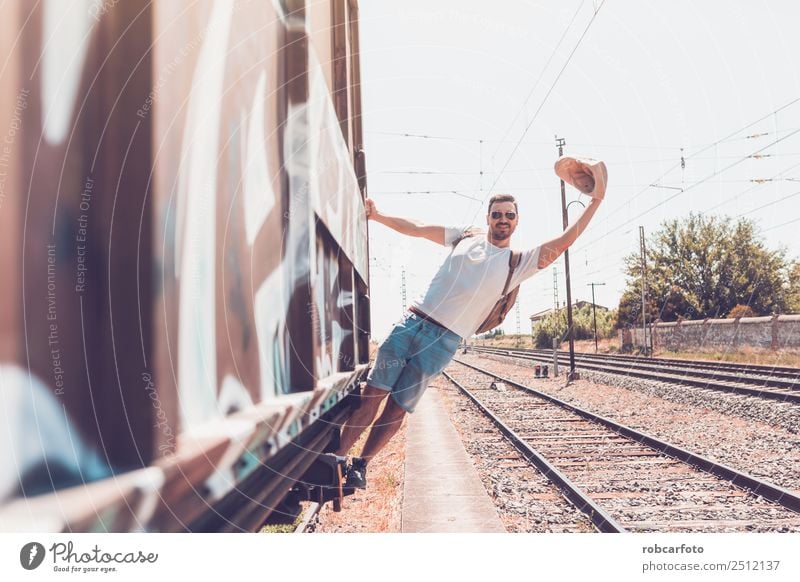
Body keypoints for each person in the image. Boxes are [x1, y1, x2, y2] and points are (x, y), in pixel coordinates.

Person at [338, 157, 608, 488]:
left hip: (443, 343)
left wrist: (595, 202)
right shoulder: (466, 236)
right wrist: (378, 216)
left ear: (517, 221)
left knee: (396, 409)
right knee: (372, 397)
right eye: (498, 214)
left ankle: (359, 466)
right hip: (411, 324)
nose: (503, 219)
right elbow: (419, 228)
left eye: (510, 215)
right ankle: (333, 464)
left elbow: (564, 241)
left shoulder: (517, 263)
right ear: (488, 218)